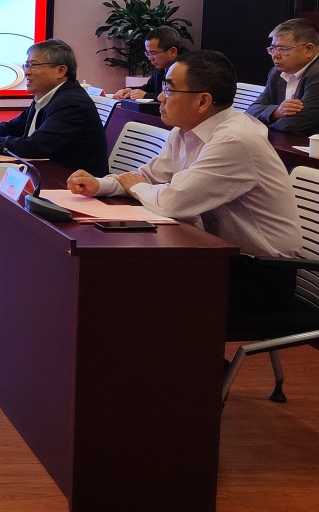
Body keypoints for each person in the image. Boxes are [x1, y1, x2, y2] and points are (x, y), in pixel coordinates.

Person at [67, 50, 302, 318]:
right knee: (121, 279)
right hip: (217, 255)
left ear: (203, 101)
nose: (160, 97)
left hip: (260, 275)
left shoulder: (235, 139)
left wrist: (136, 187)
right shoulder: (185, 130)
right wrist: (100, 185)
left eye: (169, 89)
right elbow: (150, 176)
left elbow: (173, 202)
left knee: (131, 291)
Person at [0, 38, 109, 175]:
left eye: (33, 65)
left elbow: (37, 146)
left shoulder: (72, 103)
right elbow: (14, 127)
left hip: (75, 184)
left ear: (60, 71)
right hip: (50, 173)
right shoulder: (47, 96)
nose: (27, 72)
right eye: (26, 65)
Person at [247, 17, 319, 136]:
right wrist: (277, 111)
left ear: (308, 49)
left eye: (282, 49)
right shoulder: (277, 73)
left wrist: (263, 123)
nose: (275, 55)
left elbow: (296, 125)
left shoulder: (316, 74)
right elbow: (251, 111)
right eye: (273, 49)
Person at [111, 26, 187, 100]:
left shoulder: (187, 68)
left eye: (153, 53)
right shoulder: (163, 66)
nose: (150, 58)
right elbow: (149, 88)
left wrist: (146, 96)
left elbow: (176, 97)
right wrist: (131, 91)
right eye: (148, 53)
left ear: (172, 51)